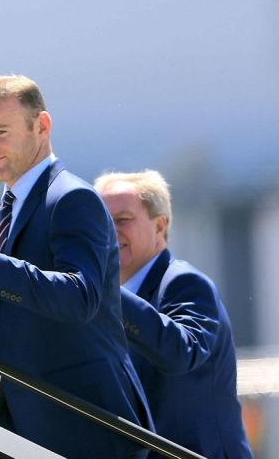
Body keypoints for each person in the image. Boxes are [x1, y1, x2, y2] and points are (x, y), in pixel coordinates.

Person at [0, 75, 151, 458]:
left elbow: (81, 295)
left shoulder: (72, 198)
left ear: (42, 126)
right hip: (30, 426)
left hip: (86, 426)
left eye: (1, 132)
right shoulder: (4, 215)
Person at [95, 170, 253, 459]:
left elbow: (182, 351)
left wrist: (103, 291)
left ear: (160, 226)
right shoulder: (102, 300)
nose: (109, 232)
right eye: (102, 221)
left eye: (123, 220)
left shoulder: (184, 283)